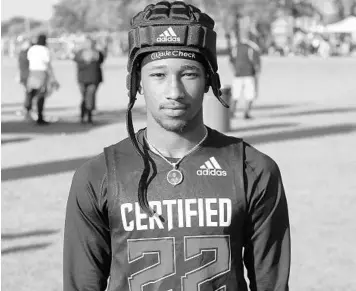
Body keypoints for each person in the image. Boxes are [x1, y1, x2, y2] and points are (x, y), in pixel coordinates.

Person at [63, 1, 291, 291]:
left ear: (209, 80)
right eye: (158, 74)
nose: (174, 92)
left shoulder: (254, 170)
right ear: (137, 83)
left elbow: (271, 284)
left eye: (189, 74)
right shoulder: (97, 176)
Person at [26, 34, 59, 125]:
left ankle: (28, 111)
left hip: (32, 72)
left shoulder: (32, 49)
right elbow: (48, 64)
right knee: (41, 96)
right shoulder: (45, 50)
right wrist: (53, 77)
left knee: (31, 93)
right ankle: (40, 117)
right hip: (42, 74)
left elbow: (29, 60)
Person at [73, 36, 108, 124]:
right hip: (84, 79)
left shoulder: (97, 53)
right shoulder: (80, 53)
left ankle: (88, 116)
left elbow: (102, 59)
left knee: (89, 97)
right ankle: (84, 116)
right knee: (85, 97)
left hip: (93, 78)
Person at [228, 30, 261, 119]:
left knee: (235, 95)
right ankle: (246, 113)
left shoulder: (236, 47)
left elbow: (230, 61)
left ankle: (231, 112)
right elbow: (256, 63)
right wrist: (257, 73)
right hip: (249, 74)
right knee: (250, 95)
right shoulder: (253, 48)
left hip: (237, 74)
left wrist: (234, 70)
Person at [16, 37, 32, 119]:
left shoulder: (24, 52)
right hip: (27, 76)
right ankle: (27, 110)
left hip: (26, 75)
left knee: (28, 93)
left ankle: (27, 109)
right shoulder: (25, 53)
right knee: (28, 93)